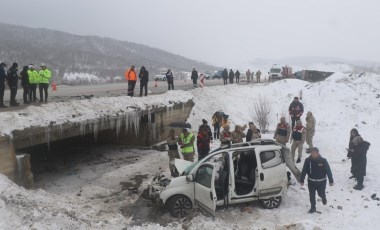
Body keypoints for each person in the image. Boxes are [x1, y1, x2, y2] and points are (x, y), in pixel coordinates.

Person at [300, 147, 334, 214]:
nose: (313, 154)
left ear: (318, 153)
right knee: (312, 195)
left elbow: (328, 170)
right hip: (311, 181)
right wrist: (302, 179)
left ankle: (323, 197)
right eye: (312, 153)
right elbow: (304, 170)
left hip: (321, 182)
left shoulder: (323, 160)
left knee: (320, 193)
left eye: (315, 153)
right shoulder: (307, 160)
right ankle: (313, 208)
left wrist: (331, 180)